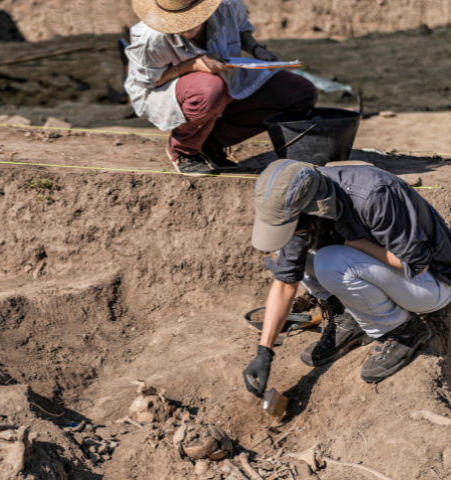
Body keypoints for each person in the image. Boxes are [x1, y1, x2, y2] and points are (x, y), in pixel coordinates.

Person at [243, 159, 451, 396]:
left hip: (431, 284)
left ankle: (400, 330)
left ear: (311, 208)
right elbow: (284, 283)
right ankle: (349, 317)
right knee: (291, 254)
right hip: (382, 274)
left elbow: (417, 264)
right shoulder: (298, 204)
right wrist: (264, 352)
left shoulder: (374, 195)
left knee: (330, 261)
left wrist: (356, 244)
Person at [125, 0, 318, 176]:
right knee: (210, 89)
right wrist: (193, 65)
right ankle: (184, 149)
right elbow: (149, 81)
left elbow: (241, 29)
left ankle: (211, 141)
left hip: (228, 77)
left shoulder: (227, 6)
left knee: (299, 93)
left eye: (189, 20)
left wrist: (257, 50)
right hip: (166, 88)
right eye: (176, 23)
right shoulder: (150, 37)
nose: (184, 30)